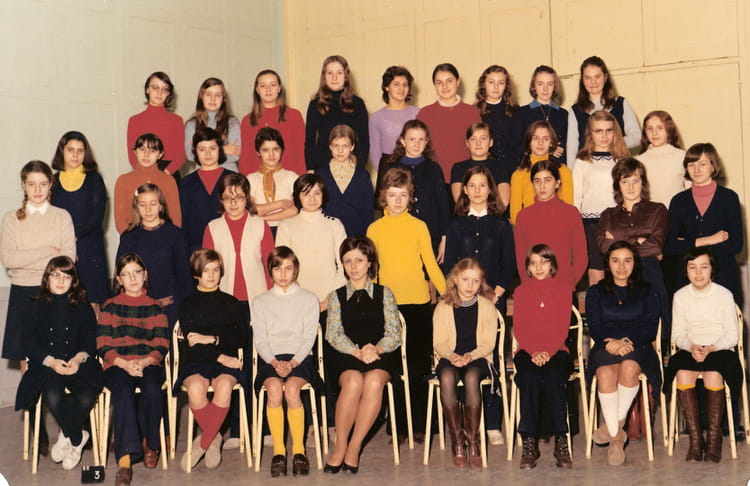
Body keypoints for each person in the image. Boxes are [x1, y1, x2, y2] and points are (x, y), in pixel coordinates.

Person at [367, 167, 446, 442]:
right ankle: (399, 427)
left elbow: (431, 265)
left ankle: (423, 425)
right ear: (384, 197)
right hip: (389, 307)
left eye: (403, 195)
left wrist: (448, 295)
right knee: (394, 368)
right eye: (392, 195)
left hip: (418, 304)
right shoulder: (375, 228)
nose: (398, 201)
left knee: (418, 367)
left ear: (410, 196)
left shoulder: (419, 226)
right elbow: (372, 271)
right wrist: (373, 302)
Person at [15, 256, 102, 471]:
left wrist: (79, 358)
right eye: (55, 275)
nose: (61, 281)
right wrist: (51, 361)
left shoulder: (82, 307)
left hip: (78, 363)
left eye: (66, 277)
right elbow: (29, 342)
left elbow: (90, 339)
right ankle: (77, 437)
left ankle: (66, 433)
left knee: (86, 394)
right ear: (47, 278)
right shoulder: (34, 305)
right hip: (47, 364)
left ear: (74, 281)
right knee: (53, 394)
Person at [324, 236, 401, 473]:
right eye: (348, 261)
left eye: (359, 260)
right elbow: (333, 334)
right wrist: (357, 352)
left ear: (369, 262)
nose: (353, 266)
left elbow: (394, 333)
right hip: (347, 353)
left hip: (380, 353)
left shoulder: (384, 293)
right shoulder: (336, 296)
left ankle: (354, 447)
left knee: (374, 381)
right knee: (354, 381)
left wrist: (375, 349)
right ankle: (340, 446)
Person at [586, 241, 661, 466]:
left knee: (629, 367)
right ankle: (617, 436)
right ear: (608, 264)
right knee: (605, 373)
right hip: (606, 344)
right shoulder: (596, 291)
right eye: (615, 260)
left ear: (635, 263)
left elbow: (650, 327)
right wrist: (613, 343)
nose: (621, 266)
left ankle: (612, 430)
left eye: (627, 261)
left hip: (639, 345)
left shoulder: (648, 290)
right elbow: (595, 327)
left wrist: (628, 341)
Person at [98, 253, 169, 486]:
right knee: (124, 392)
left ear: (145, 275)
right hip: (118, 365)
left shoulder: (156, 307)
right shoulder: (110, 307)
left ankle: (151, 444)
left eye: (137, 272)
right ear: (119, 279)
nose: (133, 278)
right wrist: (124, 363)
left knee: (153, 389)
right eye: (126, 274)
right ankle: (125, 462)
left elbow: (162, 344)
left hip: (147, 363)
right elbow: (103, 344)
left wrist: (145, 361)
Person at [664, 247, 741, 463]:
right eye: (692, 267)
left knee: (713, 374)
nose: (698, 273)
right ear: (686, 271)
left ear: (712, 269)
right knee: (682, 374)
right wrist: (691, 346)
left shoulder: (724, 295)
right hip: (691, 347)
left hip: (720, 348)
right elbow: (678, 334)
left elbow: (732, 335)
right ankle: (696, 441)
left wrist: (711, 348)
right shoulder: (680, 296)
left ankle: (714, 441)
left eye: (704, 267)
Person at [176, 249, 248, 471]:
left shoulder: (232, 303)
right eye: (206, 270)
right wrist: (221, 354)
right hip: (198, 360)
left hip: (225, 361)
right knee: (196, 388)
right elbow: (193, 344)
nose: (211, 275)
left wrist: (212, 338)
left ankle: (204, 442)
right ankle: (214, 437)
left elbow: (241, 337)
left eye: (216, 270)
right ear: (196, 274)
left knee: (224, 385)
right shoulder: (187, 304)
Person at [252, 247, 320, 477]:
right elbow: (261, 339)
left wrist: (292, 363)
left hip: (300, 358)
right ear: (270, 270)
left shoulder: (309, 299)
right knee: (273, 389)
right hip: (270, 358)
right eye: (278, 268)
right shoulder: (261, 301)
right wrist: (274, 362)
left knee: (291, 389)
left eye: (288, 268)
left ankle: (299, 451)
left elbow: (309, 337)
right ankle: (279, 452)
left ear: (296, 270)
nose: (283, 274)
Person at [1, 161, 75, 364]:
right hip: (23, 293)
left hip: (54, 293)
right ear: (23, 185)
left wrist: (24, 260)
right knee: (26, 359)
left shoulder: (62, 217)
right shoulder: (11, 219)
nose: (37, 190)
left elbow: (68, 259)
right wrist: (48, 251)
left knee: (55, 359)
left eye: (43, 184)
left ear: (51, 184)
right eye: (31, 184)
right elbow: (8, 259)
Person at [433, 258, 499, 469]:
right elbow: (439, 342)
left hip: (478, 357)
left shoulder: (487, 307)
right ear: (455, 280)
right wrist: (451, 355)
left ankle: (473, 441)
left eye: (475, 281)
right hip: (450, 356)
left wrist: (470, 356)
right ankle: (457, 441)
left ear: (481, 282)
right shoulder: (442, 307)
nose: (470, 285)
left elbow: (489, 343)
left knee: (471, 378)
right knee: (446, 376)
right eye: (465, 280)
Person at [513, 244, 574, 469]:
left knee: (553, 376)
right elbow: (519, 329)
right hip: (527, 350)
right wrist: (533, 351)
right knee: (528, 376)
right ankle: (529, 441)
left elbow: (562, 328)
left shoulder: (564, 290)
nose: (539, 267)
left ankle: (561, 439)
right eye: (533, 263)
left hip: (556, 349)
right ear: (527, 267)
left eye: (544, 261)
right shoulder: (521, 291)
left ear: (552, 265)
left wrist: (547, 351)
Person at [597, 158, 669, 344]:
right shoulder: (608, 215)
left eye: (635, 181)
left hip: (648, 273)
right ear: (617, 185)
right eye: (625, 181)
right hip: (618, 278)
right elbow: (603, 246)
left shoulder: (657, 210)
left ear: (642, 183)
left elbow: (656, 246)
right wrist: (639, 241)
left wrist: (617, 241)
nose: (630, 187)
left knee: (653, 336)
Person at [664, 142, 743, 304]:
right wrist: (710, 240)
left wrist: (688, 244)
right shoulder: (678, 201)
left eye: (702, 164)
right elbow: (669, 246)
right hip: (687, 280)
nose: (697, 169)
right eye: (691, 165)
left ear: (713, 166)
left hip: (723, 277)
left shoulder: (729, 198)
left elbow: (735, 245)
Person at [117, 183, 191, 327]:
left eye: (153, 204)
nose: (148, 209)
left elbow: (185, 279)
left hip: (170, 310)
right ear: (136, 207)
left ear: (161, 206)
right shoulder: (128, 238)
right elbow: (121, 279)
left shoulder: (176, 235)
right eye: (143, 205)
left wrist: (184, 314)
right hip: (138, 310)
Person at [50, 131, 109, 309]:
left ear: (86, 153)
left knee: (92, 304)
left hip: (90, 248)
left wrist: (73, 236)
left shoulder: (94, 179)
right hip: (63, 248)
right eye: (70, 150)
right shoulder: (53, 181)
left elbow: (96, 217)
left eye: (80, 150)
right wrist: (65, 241)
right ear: (62, 151)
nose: (75, 155)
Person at [444, 165, 515, 313]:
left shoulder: (501, 224)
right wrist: (459, 293)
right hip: (462, 298)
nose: (477, 190)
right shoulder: (455, 224)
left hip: (493, 298)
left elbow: (509, 265)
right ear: (465, 190)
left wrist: (496, 294)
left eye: (482, 185)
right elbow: (450, 264)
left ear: (490, 190)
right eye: (472, 186)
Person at [203, 172, 274, 319]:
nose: (233, 203)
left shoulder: (260, 225)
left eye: (239, 197)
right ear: (221, 200)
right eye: (227, 198)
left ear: (247, 198)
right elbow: (207, 269)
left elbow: (270, 265)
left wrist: (270, 297)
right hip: (223, 298)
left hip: (258, 296)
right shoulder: (212, 228)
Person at [573, 110, 630, 286]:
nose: (604, 136)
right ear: (590, 134)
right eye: (598, 131)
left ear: (615, 132)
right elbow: (576, 197)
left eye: (608, 130)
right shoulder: (582, 161)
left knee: (620, 272)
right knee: (596, 273)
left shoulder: (623, 160)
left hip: (618, 222)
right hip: (591, 225)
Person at [377, 119, 449, 257]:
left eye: (421, 139)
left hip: (430, 235)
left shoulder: (434, 169)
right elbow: (385, 205)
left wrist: (444, 239)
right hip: (399, 234)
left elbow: (443, 206)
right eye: (412, 139)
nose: (416, 144)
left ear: (426, 142)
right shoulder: (391, 168)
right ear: (403, 141)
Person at [275, 174, 346, 312]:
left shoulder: (334, 224)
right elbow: (282, 267)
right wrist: (297, 296)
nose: (312, 198)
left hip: (330, 298)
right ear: (297, 197)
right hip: (296, 300)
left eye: (317, 193)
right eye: (306, 193)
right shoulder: (286, 226)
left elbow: (343, 266)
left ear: (323, 195)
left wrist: (329, 298)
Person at [514, 160, 587, 291]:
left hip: (565, 287)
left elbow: (581, 256)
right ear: (532, 184)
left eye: (547, 180)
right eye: (537, 181)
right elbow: (521, 258)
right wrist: (529, 285)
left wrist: (569, 285)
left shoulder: (571, 213)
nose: (542, 186)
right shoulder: (523, 216)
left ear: (557, 183)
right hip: (534, 289)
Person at [566, 56, 641, 167]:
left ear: (605, 77)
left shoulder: (621, 104)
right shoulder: (575, 110)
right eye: (588, 77)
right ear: (582, 80)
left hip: (618, 168)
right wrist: (572, 174)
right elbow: (572, 148)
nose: (593, 82)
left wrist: (613, 143)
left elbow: (637, 137)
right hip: (588, 169)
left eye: (597, 76)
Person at [417, 63, 481, 181]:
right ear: (434, 85)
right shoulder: (425, 114)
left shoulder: (471, 112)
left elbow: (479, 147)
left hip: (466, 177)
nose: (444, 86)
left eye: (449, 81)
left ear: (457, 82)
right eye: (439, 82)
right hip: (434, 177)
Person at [305, 55, 369, 170]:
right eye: (330, 73)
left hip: (350, 167)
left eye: (339, 73)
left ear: (346, 76)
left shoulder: (358, 104)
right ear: (324, 77)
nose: (334, 77)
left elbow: (364, 140)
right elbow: (310, 142)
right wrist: (310, 169)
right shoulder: (315, 105)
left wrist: (359, 166)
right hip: (323, 167)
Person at [239, 70, 306, 176]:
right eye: (263, 86)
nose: (268, 89)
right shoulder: (248, 120)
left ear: (279, 88)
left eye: (273, 85)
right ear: (257, 89)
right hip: (258, 179)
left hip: (289, 178)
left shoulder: (294, 116)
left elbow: (301, 152)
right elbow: (245, 157)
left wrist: (301, 179)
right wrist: (246, 182)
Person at [180, 127, 234, 253]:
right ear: (195, 152)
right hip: (197, 247)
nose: (208, 154)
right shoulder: (186, 182)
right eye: (202, 149)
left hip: (228, 244)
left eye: (212, 148)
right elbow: (184, 221)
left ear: (220, 149)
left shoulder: (232, 178)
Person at [114, 133, 181, 234]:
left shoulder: (168, 181)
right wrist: (132, 239)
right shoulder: (123, 181)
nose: (146, 155)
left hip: (164, 237)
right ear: (135, 152)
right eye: (142, 149)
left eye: (152, 151)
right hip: (133, 238)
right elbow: (120, 221)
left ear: (160, 154)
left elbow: (175, 219)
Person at [509, 120, 573, 224]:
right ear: (529, 141)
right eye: (536, 138)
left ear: (551, 143)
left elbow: (569, 207)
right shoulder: (518, 174)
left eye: (545, 139)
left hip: (557, 225)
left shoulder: (563, 170)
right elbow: (515, 215)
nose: (540, 143)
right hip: (530, 227)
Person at [316, 124, 374, 237]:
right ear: (330, 146)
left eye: (345, 146)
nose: (340, 150)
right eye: (336, 145)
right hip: (327, 234)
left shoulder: (362, 175)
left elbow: (368, 210)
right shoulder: (320, 174)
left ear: (352, 147)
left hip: (356, 234)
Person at [126, 72, 184, 175]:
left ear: (168, 93)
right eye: (155, 87)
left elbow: (181, 155)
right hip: (143, 173)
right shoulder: (135, 121)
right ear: (147, 90)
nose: (159, 92)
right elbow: (132, 156)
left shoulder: (177, 120)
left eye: (164, 89)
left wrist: (165, 174)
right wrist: (145, 174)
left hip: (169, 173)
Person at [246, 127, 299, 236]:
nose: (271, 154)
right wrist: (280, 204)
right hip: (259, 231)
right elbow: (251, 210)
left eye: (275, 149)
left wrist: (263, 218)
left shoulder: (291, 177)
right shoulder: (251, 179)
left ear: (282, 150)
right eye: (265, 150)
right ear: (258, 152)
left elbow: (295, 210)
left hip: (287, 230)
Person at [511, 65, 568, 163]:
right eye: (540, 84)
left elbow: (565, 146)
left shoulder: (563, 114)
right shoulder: (522, 113)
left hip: (555, 167)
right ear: (534, 86)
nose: (545, 89)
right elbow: (516, 147)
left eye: (550, 84)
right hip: (530, 166)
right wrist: (548, 151)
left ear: (555, 87)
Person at [184, 77, 241, 172]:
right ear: (201, 97)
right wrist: (223, 149)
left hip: (228, 172)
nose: (213, 99)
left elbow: (236, 154)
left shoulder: (232, 122)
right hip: (201, 172)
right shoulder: (191, 125)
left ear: (223, 99)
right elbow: (190, 155)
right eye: (208, 94)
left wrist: (202, 150)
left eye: (218, 95)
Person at [368, 66, 420, 170]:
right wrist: (389, 175)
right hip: (389, 172)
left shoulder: (418, 113)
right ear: (387, 87)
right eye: (396, 84)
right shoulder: (376, 118)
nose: (401, 89)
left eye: (405, 85)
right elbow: (375, 154)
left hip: (416, 169)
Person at [449, 122, 510, 208]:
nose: (478, 143)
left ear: (491, 142)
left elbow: (504, 201)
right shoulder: (458, 168)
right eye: (473, 139)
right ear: (467, 143)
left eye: (483, 139)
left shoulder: (500, 167)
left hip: (494, 214)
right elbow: (460, 202)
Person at [636, 110, 687, 206]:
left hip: (676, 212)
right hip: (650, 214)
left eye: (660, 128)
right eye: (650, 128)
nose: (654, 133)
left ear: (669, 130)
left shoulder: (682, 156)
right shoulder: (639, 161)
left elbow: (691, 191)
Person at [475, 65, 517, 174]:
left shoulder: (515, 111)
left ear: (506, 86)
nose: (496, 87)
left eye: (501, 83)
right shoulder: (474, 111)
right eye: (491, 82)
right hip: (485, 170)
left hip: (511, 169)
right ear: (483, 84)